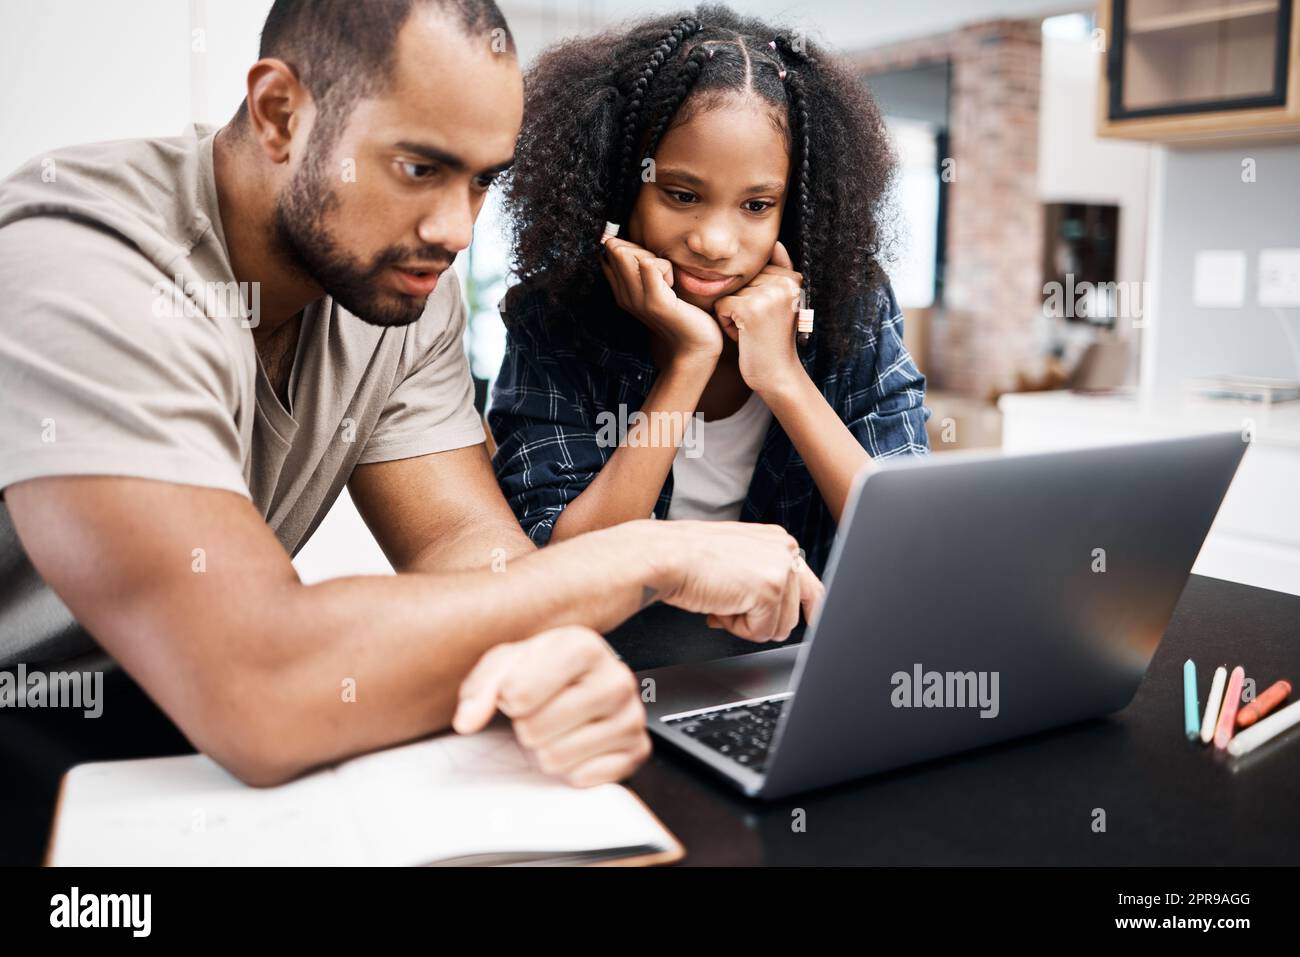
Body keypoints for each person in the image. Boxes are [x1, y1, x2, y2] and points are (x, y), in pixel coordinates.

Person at [0, 0, 822, 790]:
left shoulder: (396, 282)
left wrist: (541, 655)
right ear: (280, 112)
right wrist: (650, 552)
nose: (455, 230)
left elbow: (466, 549)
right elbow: (257, 684)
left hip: (178, 746)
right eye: (419, 169)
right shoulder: (86, 260)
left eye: (480, 183)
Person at [490, 5, 930, 579]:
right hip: (614, 661)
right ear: (622, 188)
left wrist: (783, 376)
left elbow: (910, 542)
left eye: (756, 205)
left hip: (792, 658)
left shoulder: (852, 310)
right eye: (681, 194)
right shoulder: (555, 320)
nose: (716, 242)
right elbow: (559, 566)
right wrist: (690, 361)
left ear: (793, 211)